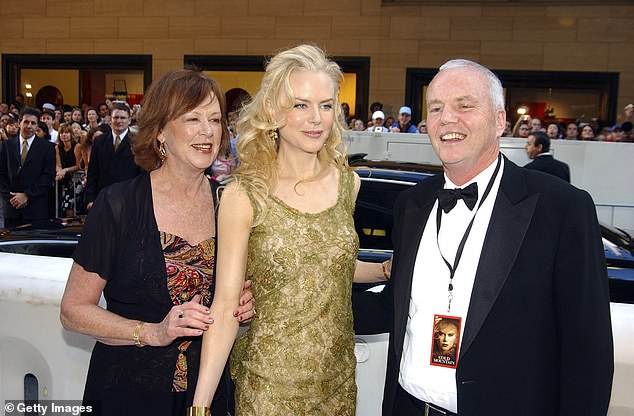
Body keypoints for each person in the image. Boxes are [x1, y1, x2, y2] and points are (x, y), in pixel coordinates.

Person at [353, 59, 613, 415]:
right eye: (437, 108)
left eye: (465, 105)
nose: (447, 119)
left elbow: (588, 352)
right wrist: (288, 298)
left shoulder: (561, 208)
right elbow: (394, 307)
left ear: (500, 120)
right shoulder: (412, 204)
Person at [59, 69, 254, 416]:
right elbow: (73, 311)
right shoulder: (118, 204)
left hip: (208, 396)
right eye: (193, 118)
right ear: (160, 130)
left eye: (214, 119)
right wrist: (152, 331)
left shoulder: (230, 206)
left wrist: (242, 308)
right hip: (128, 394)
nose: (208, 131)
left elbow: (230, 305)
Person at [191, 44, 364, 415]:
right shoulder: (244, 195)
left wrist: (383, 269)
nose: (316, 118)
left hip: (337, 389)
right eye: (300, 105)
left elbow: (324, 264)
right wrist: (200, 406)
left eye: (326, 105)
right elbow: (224, 307)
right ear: (272, 110)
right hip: (268, 391)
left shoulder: (349, 184)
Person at [0, 107, 56, 228]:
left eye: (33, 123)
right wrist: (12, 198)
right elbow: (1, 174)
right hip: (12, 209)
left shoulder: (47, 148)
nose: (29, 126)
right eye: (26, 122)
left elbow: (47, 176)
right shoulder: (6, 146)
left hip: (36, 210)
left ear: (37, 126)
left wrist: (27, 196)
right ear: (19, 123)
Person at [84, 102, 142, 209]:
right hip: (103, 198)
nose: (119, 121)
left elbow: (141, 174)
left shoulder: (138, 143)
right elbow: (93, 171)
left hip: (129, 200)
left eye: (123, 118)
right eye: (116, 117)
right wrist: (90, 199)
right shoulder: (99, 141)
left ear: (129, 120)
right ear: (110, 120)